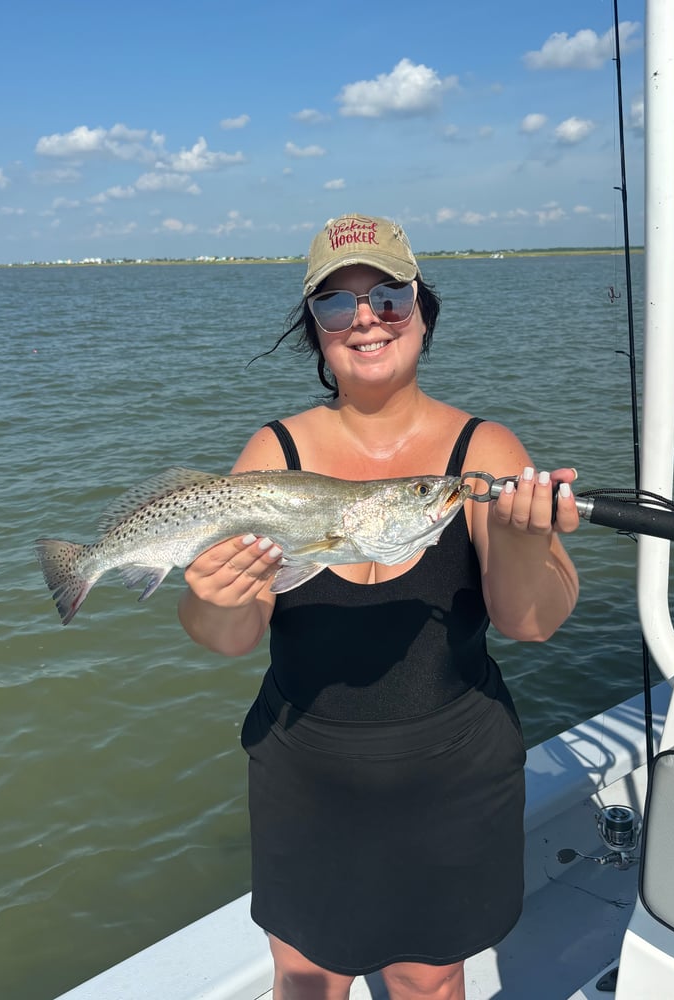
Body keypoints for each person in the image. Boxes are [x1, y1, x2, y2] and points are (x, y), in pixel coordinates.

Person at [178, 213, 580, 1000]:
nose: (366, 318)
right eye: (337, 303)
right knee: (303, 975)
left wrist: (529, 541)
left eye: (388, 297)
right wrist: (214, 595)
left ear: (422, 311)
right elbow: (226, 638)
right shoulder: (272, 457)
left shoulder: (486, 451)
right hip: (305, 766)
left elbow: (533, 624)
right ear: (317, 332)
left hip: (453, 767)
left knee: (427, 979)